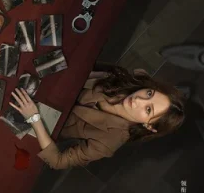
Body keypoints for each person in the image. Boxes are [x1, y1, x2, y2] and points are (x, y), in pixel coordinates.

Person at [10, 66, 186, 169]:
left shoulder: (108, 142)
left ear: (149, 126)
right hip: (50, 83)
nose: (138, 99)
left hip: (42, 116)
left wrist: (33, 117)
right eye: (149, 93)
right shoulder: (122, 79)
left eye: (148, 109)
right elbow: (84, 69)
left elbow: (57, 161)